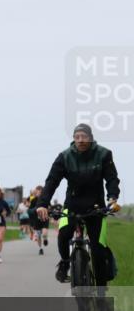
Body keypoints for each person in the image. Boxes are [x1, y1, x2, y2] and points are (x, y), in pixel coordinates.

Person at [35, 124, 121, 293]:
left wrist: (112, 198)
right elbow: (51, 182)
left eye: (84, 136)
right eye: (77, 137)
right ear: (73, 139)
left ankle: (101, 294)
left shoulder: (104, 154)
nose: (80, 140)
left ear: (91, 138)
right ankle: (65, 262)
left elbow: (112, 179)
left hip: (96, 207)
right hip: (72, 205)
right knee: (63, 235)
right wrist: (42, 204)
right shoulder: (64, 157)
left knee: (98, 250)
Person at [29, 186, 49, 251]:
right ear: (36, 192)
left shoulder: (45, 199)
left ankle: (45, 239)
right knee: (38, 236)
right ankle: (40, 248)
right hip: (36, 220)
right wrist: (35, 209)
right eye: (37, 192)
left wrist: (49, 210)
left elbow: (49, 207)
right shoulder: (33, 200)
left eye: (40, 192)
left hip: (44, 218)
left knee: (44, 233)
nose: (39, 193)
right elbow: (29, 210)